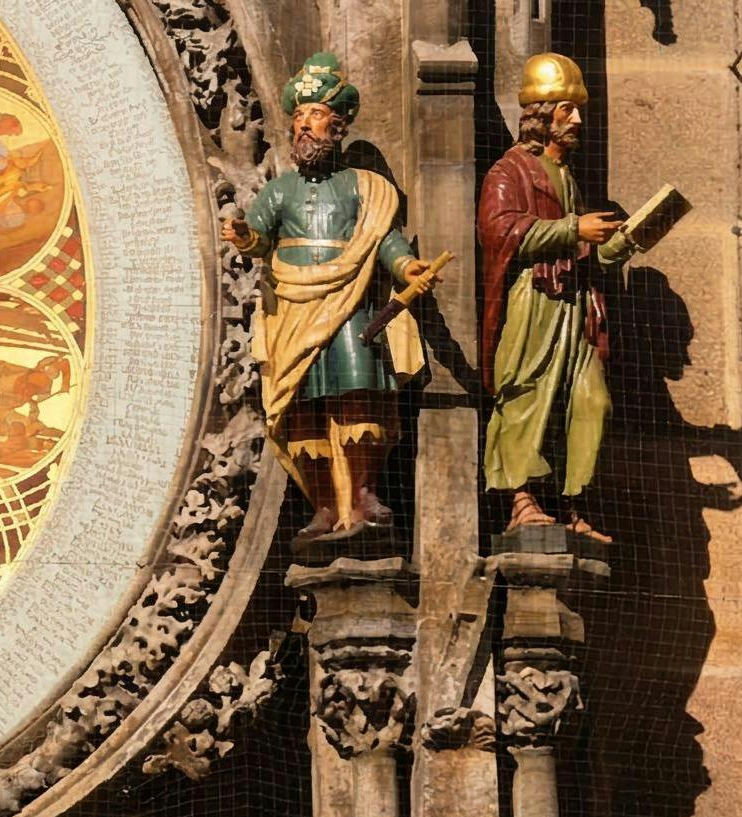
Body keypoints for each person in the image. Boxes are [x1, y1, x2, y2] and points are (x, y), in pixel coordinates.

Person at [220, 53, 432, 539]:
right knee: (302, 403)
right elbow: (258, 237)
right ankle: (322, 505)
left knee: (359, 394)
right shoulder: (282, 190)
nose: (303, 128)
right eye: (297, 118)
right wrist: (243, 236)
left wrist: (407, 267)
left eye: (313, 116)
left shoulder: (366, 187)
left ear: (338, 125)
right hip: (294, 305)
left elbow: (385, 241)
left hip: (352, 301)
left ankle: (361, 494)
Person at [479, 53, 632, 539]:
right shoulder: (509, 171)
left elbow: (586, 248)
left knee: (590, 401)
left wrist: (619, 241)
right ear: (543, 115)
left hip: (576, 304)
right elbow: (500, 230)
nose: (578, 120)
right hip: (535, 301)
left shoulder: (566, 176)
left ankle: (570, 502)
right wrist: (573, 228)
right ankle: (522, 498)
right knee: (528, 392)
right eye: (568, 110)